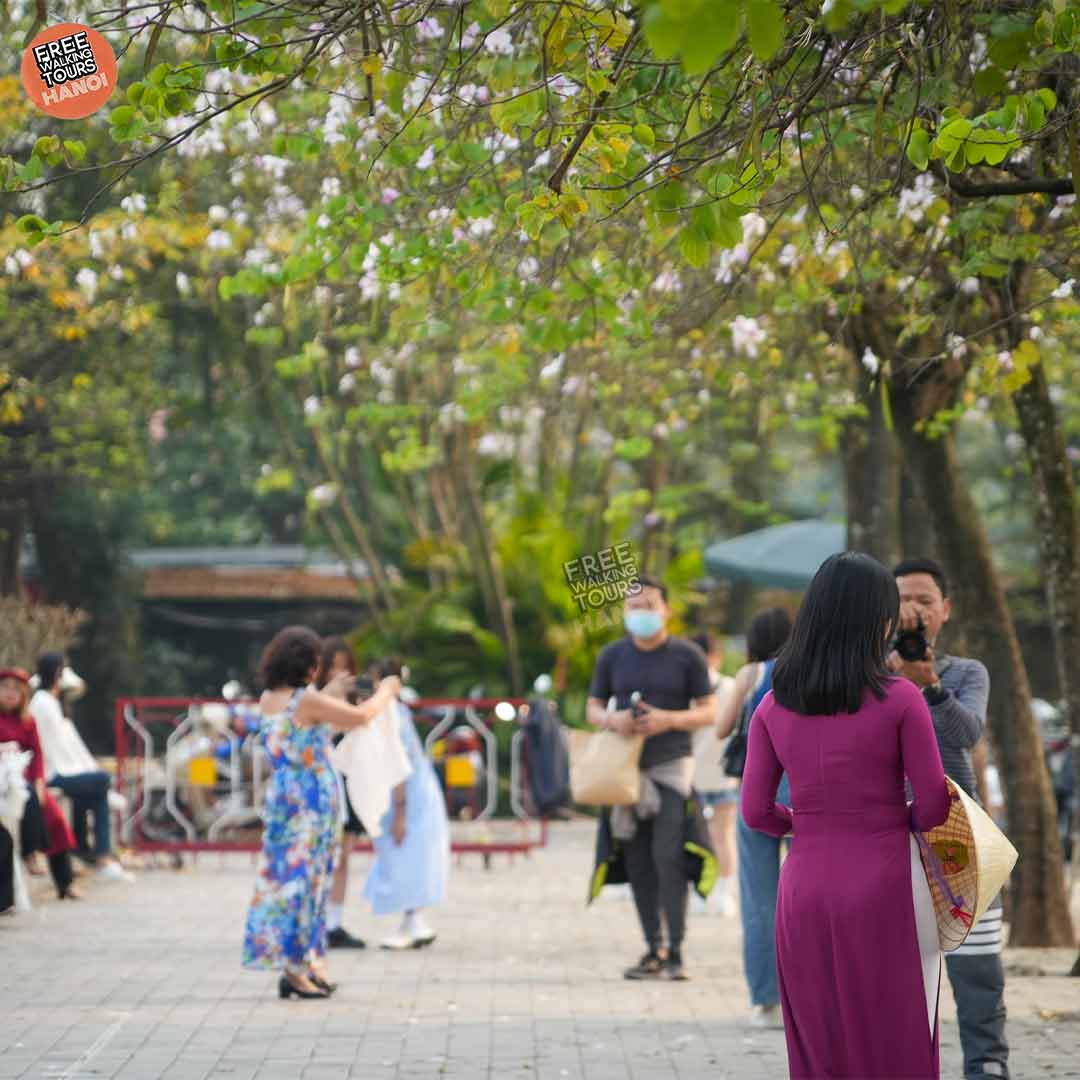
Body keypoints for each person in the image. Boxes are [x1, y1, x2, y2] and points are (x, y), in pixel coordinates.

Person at [742, 552, 951, 1079]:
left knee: (818, 1040)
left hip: (804, 887)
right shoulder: (902, 699)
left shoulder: (771, 705)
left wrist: (806, 821)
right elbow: (931, 809)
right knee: (895, 1033)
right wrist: (886, 816)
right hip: (887, 887)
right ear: (878, 621)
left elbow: (754, 812)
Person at [893, 557, 1009, 1080]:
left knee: (978, 963)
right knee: (904, 968)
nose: (913, 609)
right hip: (896, 836)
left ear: (946, 609)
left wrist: (930, 685)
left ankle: (987, 1064)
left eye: (924, 599)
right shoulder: (871, 675)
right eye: (902, 598)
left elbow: (966, 734)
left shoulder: (966, 673)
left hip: (959, 837)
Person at [241, 626, 400, 1000]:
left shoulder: (269, 699)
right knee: (309, 883)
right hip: (312, 799)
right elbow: (360, 718)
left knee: (292, 879)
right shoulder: (306, 701)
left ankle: (309, 963)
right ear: (307, 665)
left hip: (285, 798)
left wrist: (327, 696)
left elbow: (309, 724)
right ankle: (296, 969)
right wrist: (387, 692)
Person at [586, 575, 716, 981]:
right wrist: (613, 719)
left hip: (672, 768)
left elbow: (710, 710)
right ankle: (652, 948)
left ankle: (676, 950)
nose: (639, 613)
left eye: (648, 605)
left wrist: (668, 721)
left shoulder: (687, 656)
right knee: (638, 859)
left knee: (669, 855)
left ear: (667, 610)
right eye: (633, 607)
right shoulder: (612, 655)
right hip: (625, 771)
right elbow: (592, 707)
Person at [717, 607, 792, 1028]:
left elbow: (721, 729)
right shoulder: (809, 670)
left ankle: (766, 1003)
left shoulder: (751, 674)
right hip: (804, 792)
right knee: (810, 898)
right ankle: (812, 993)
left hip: (758, 790)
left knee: (760, 898)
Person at [363, 657, 450, 949]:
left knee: (405, 856)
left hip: (407, 795)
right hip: (409, 793)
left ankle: (411, 922)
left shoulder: (389, 713)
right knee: (410, 856)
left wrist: (400, 811)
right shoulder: (393, 710)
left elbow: (398, 765)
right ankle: (412, 921)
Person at [29, 652, 133, 883]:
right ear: (57, 673)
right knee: (100, 782)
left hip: (57, 770)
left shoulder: (48, 703)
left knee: (96, 795)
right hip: (50, 773)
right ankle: (97, 855)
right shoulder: (44, 704)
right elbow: (53, 750)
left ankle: (88, 851)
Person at [0, 668, 81, 900]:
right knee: (27, 799)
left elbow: (36, 754)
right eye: (5, 687)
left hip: (25, 780)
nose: (10, 693)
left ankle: (64, 881)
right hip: (3, 784)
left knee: (54, 817)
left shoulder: (27, 721)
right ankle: (30, 852)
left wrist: (38, 781)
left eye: (16, 689)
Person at [315, 638, 367, 950]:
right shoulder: (315, 699)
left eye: (344, 666)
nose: (339, 672)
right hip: (323, 776)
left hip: (349, 778)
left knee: (344, 854)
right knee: (325, 855)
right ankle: (318, 919)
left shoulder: (354, 699)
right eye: (333, 666)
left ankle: (335, 920)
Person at [688, 632, 737, 916]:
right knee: (723, 835)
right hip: (722, 772)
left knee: (698, 838)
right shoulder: (731, 686)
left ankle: (702, 891)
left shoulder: (684, 688)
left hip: (694, 774)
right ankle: (724, 894)